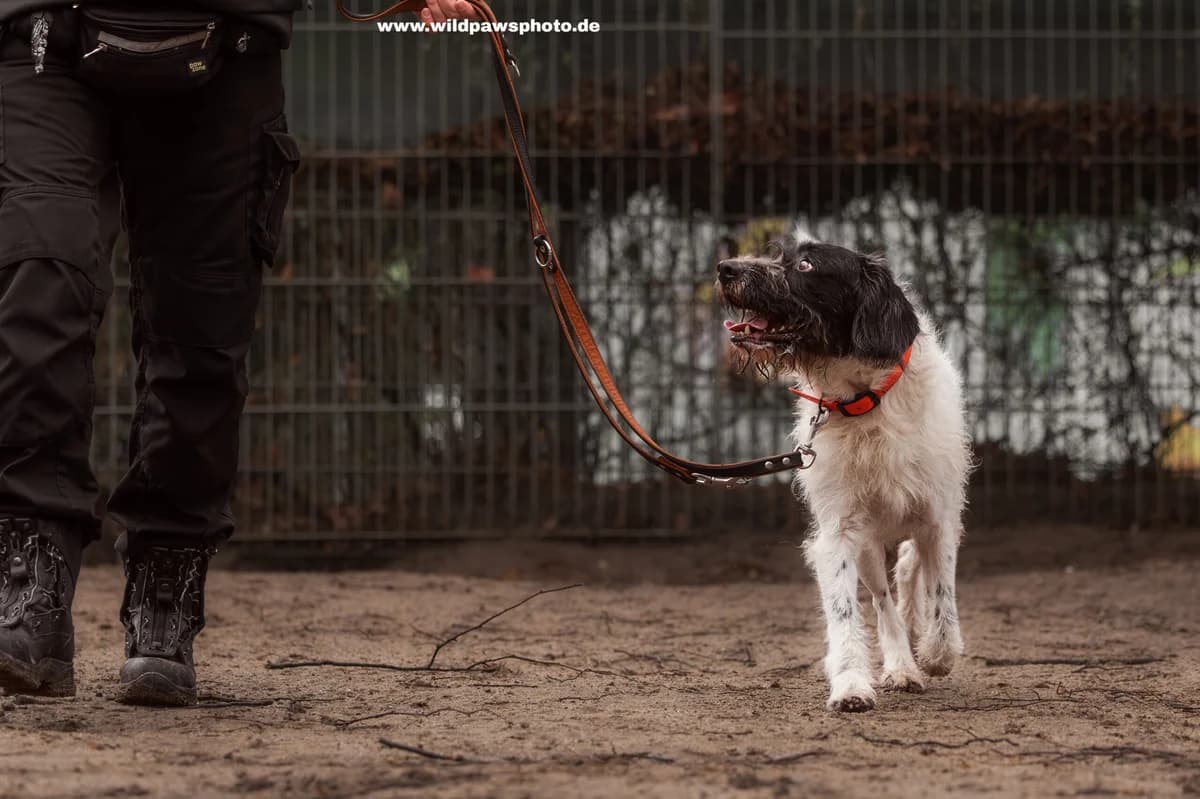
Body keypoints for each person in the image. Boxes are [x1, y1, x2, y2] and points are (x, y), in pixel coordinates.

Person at [0, 0, 479, 706]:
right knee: (40, 271)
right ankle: (28, 578)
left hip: (229, 37)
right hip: (46, 36)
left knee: (203, 328)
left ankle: (166, 585)